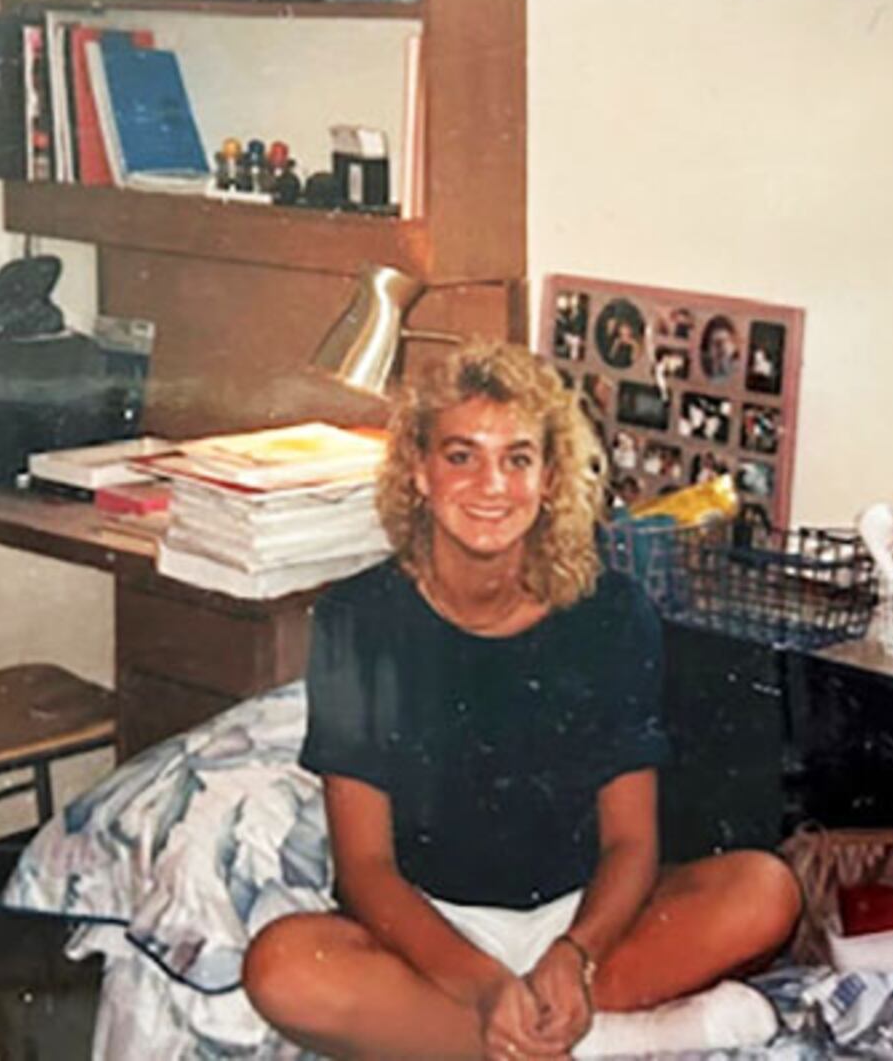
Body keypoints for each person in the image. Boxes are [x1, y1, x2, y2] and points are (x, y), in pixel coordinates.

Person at [243, 340, 801, 1060]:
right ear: (418, 469)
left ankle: (531, 1038)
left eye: (516, 458)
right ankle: (608, 1041)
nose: (491, 485)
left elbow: (632, 841)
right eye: (461, 455)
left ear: (548, 477)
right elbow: (366, 867)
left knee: (765, 888)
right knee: (281, 966)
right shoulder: (358, 619)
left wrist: (576, 953)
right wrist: (480, 984)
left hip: (581, 926)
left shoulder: (611, 612)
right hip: (431, 937)